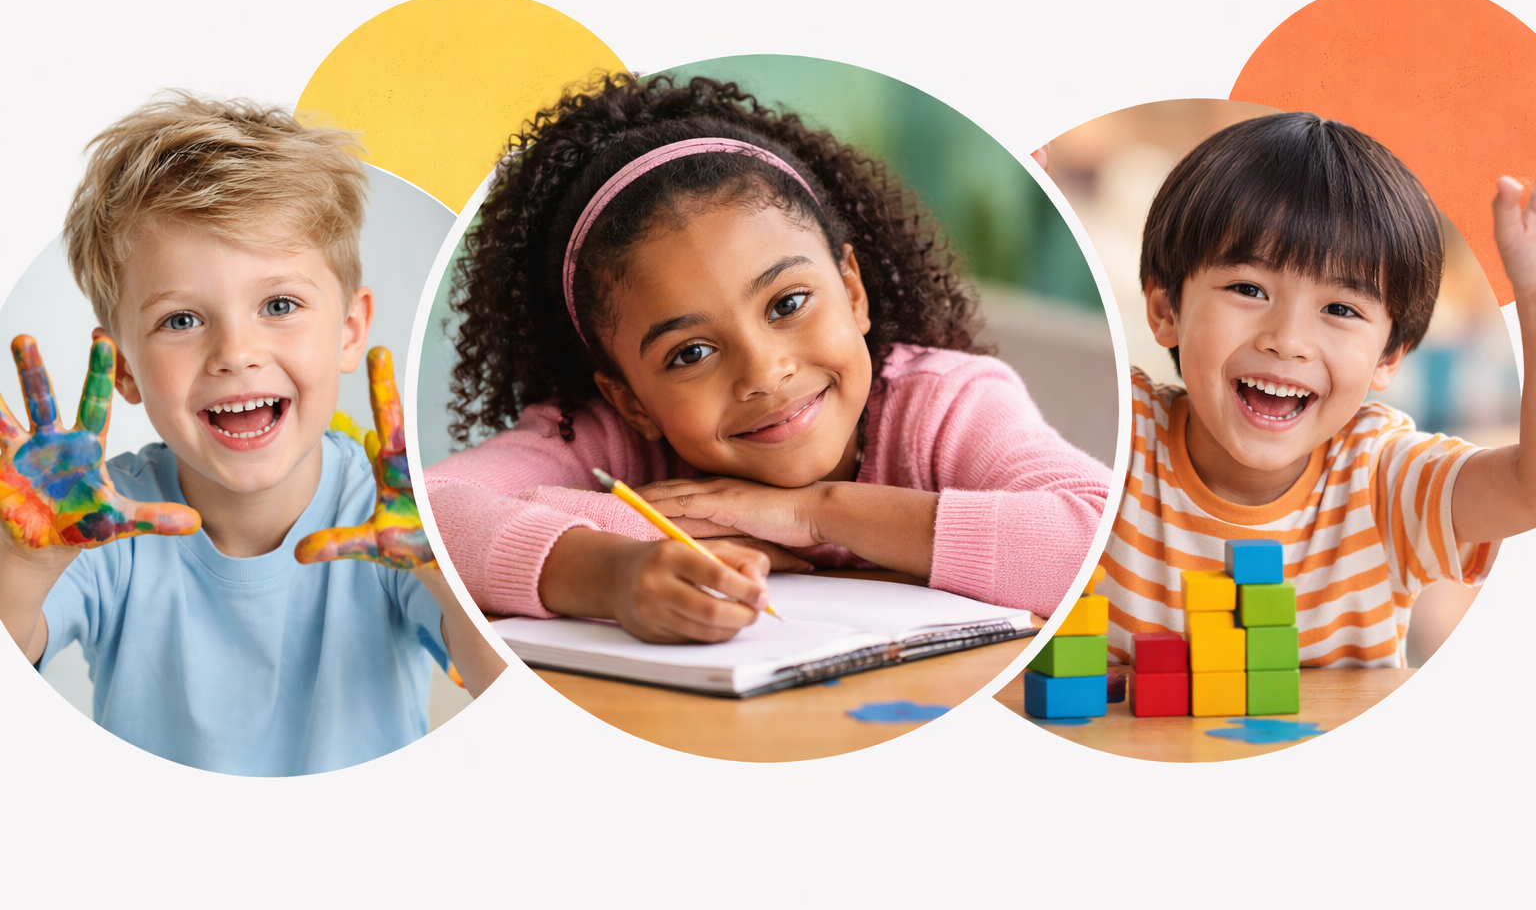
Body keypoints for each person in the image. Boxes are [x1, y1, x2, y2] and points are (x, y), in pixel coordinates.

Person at [425, 74, 1112, 644]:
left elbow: (1101, 534)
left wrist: (818, 513)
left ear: (851, 290)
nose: (763, 373)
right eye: (690, 352)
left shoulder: (946, 404)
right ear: (632, 398)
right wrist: (613, 574)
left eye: (787, 304)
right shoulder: (604, 434)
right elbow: (420, 512)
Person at [0, 93, 503, 776]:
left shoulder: (389, 518)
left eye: (279, 305)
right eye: (181, 319)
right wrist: (24, 568)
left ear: (350, 330)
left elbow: (506, 697)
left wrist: (439, 568)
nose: (236, 352)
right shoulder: (98, 518)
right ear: (122, 366)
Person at [1102, 111, 1536, 667]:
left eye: (1339, 308)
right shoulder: (1120, 434)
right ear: (1165, 309)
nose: (1288, 341)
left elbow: (1528, 490)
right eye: (1248, 288)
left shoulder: (1383, 479)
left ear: (1389, 356)